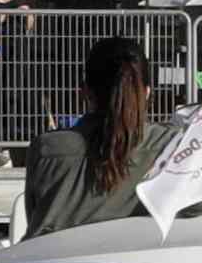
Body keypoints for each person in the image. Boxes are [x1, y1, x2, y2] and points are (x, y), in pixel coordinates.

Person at [19, 36, 160, 234]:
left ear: (85, 92)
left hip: (55, 261)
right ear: (146, 92)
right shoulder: (170, 145)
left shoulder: (47, 148)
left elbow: (34, 216)